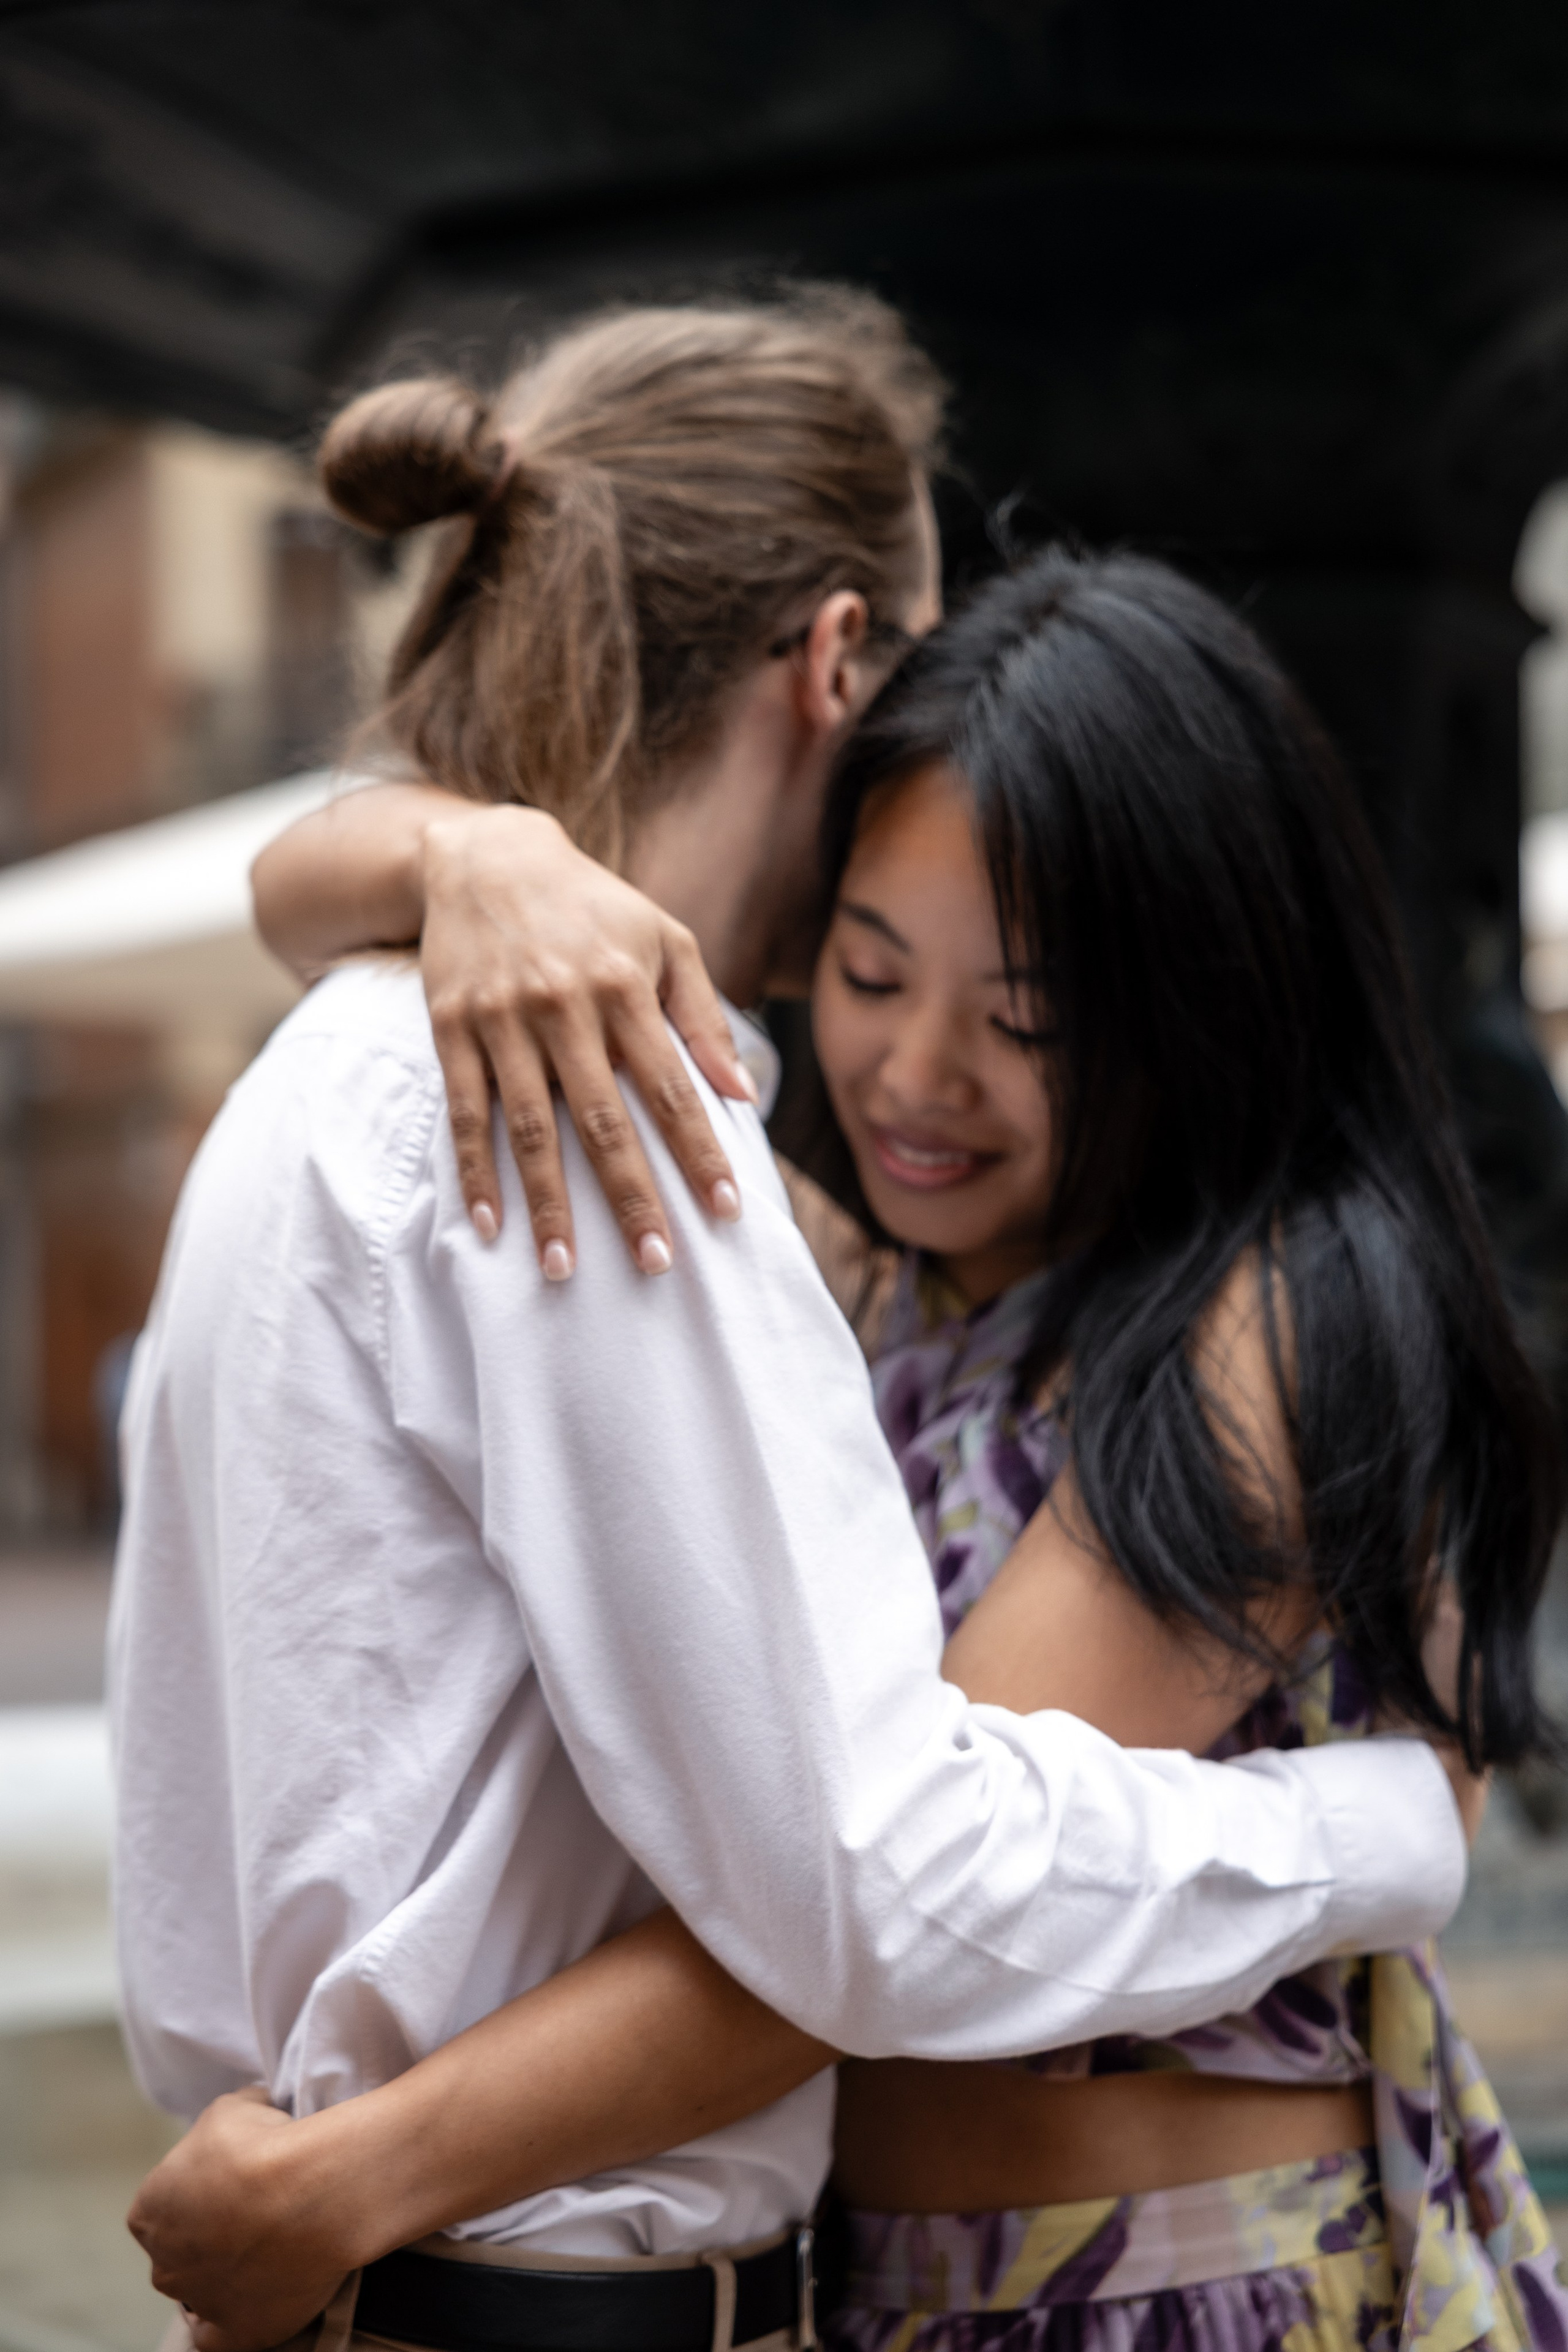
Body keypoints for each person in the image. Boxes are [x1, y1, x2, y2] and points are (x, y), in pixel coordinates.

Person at [113, 300, 1473, 2352]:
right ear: (841, 660)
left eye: (1027, 1014)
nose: (918, 1070)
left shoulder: (370, 1055)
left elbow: (843, 1906)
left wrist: (458, 846)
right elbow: (879, 1889)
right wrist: (1377, 1829)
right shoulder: (600, 1101)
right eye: (874, 968)